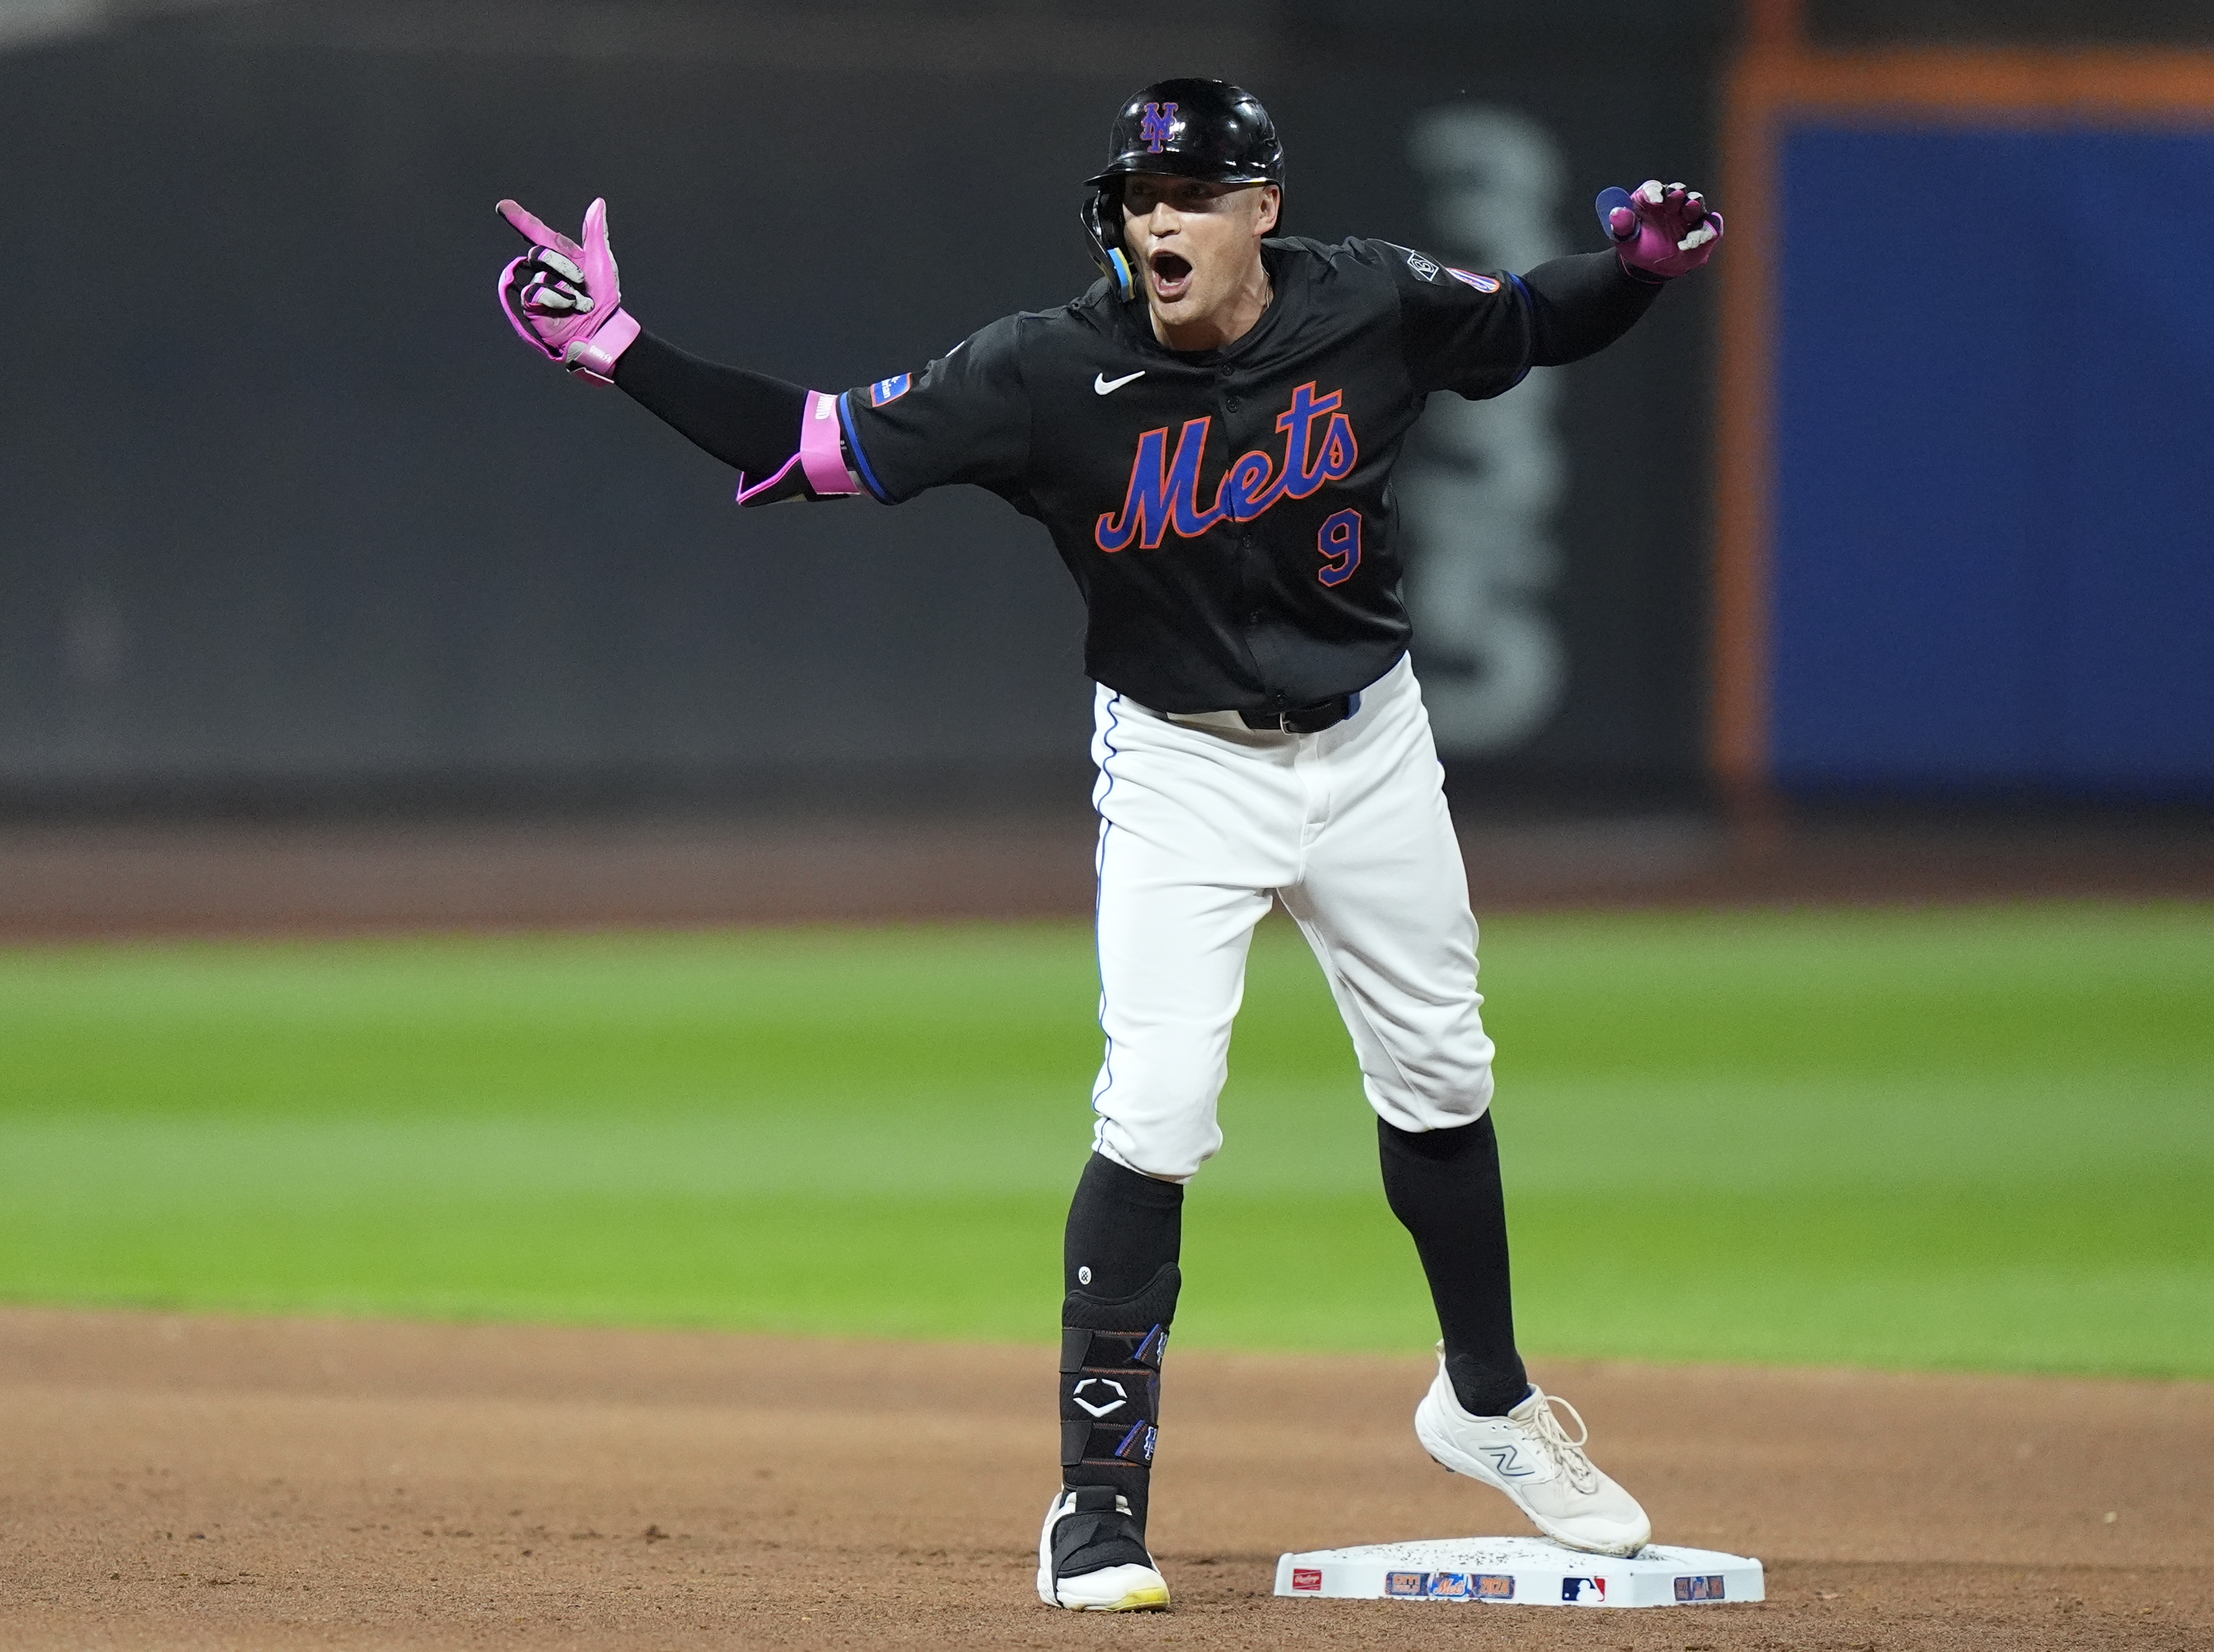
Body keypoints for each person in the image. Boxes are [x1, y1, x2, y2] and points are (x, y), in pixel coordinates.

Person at [493, 76, 1720, 1614]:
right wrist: (613, 349)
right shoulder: (1039, 371)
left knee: (1443, 1073)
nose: (1160, 221)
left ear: (1260, 210)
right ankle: (1093, 1509)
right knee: (1154, 1110)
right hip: (1179, 767)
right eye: (1142, 198)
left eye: (1194, 194)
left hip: (1370, 741)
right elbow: (813, 445)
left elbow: (1535, 318)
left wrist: (1643, 273)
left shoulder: (1370, 299)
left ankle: (1485, 1401)